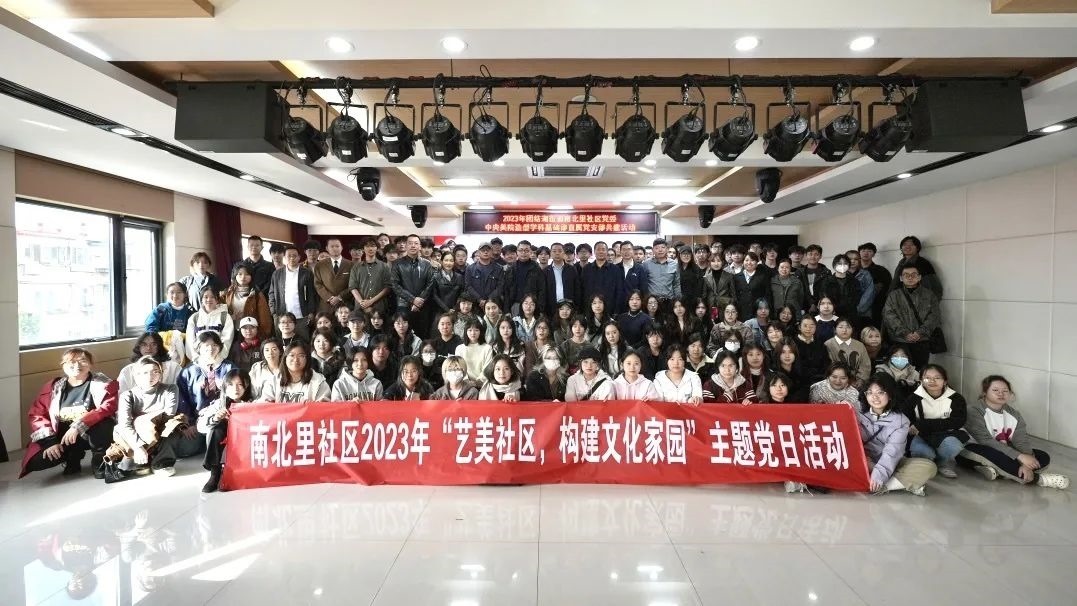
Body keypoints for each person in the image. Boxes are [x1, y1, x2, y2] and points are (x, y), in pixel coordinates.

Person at [21, 348, 118, 479]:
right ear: (63, 366)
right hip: (64, 436)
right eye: (71, 362)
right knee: (37, 461)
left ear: (90, 364)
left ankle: (100, 462)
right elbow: (37, 415)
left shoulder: (103, 384)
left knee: (104, 423)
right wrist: (50, 442)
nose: (77, 365)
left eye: (82, 361)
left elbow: (107, 408)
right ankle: (73, 455)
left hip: (92, 434)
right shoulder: (53, 387)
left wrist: (78, 426)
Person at [958, 375, 1069, 489]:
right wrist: (1020, 456)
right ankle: (1040, 479)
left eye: (1005, 391)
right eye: (995, 390)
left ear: (1010, 394)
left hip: (1002, 450)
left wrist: (1026, 463)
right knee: (996, 455)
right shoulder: (973, 410)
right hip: (971, 449)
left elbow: (1021, 442)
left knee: (1042, 456)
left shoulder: (1014, 414)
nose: (1001, 394)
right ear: (985, 392)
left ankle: (997, 470)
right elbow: (985, 441)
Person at [858, 374, 937, 496]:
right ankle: (900, 482)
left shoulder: (901, 421)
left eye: (880, 392)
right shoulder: (857, 413)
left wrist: (878, 474)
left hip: (889, 461)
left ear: (890, 395)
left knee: (929, 467)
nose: (874, 397)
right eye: (869, 392)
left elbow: (892, 452)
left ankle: (883, 486)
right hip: (861, 460)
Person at [108, 356, 186, 478]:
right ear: (137, 375)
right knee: (127, 467)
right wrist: (138, 447)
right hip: (136, 432)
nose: (150, 376)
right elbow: (124, 423)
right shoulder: (127, 395)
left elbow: (169, 414)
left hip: (160, 427)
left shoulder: (170, 389)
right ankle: (144, 457)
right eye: (145, 372)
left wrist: (146, 421)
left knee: (173, 426)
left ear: (161, 374)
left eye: (155, 371)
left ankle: (162, 463)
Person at [903, 364, 969, 479]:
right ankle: (928, 464)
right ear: (921, 380)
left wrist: (922, 424)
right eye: (927, 378)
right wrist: (917, 427)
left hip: (945, 435)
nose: (932, 381)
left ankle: (942, 463)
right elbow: (905, 419)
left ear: (945, 381)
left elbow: (957, 422)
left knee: (953, 445)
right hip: (920, 436)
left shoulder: (956, 398)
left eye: (937, 378)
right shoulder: (913, 398)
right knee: (924, 453)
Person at [197, 368, 252, 493]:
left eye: (240, 384)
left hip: (245, 439)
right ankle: (215, 472)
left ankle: (234, 472)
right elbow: (200, 427)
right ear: (225, 387)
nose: (235, 389)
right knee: (216, 429)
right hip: (223, 439)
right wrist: (216, 418)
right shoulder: (219, 404)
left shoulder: (252, 403)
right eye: (231, 385)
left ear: (246, 386)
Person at [177, 332, 236, 446]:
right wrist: (188, 424)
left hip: (224, 418)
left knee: (214, 434)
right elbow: (182, 400)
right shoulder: (188, 371)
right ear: (198, 347)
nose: (211, 348)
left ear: (220, 347)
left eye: (214, 345)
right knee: (185, 448)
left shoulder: (229, 368)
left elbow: (239, 393)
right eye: (206, 345)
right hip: (196, 420)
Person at [883, 265, 942, 370]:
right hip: (900, 341)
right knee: (900, 370)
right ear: (901, 278)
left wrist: (920, 333)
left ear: (919, 277)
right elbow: (889, 315)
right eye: (906, 275)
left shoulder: (929, 295)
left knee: (920, 370)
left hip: (922, 341)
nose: (910, 277)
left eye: (913, 275)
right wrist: (905, 333)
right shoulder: (893, 295)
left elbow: (934, 316)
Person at [268, 244, 317, 341]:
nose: (292, 258)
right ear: (284, 257)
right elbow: (271, 294)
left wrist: (311, 312)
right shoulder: (277, 274)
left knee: (303, 341)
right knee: (283, 343)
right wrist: (274, 312)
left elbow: (312, 294)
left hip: (302, 316)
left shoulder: (306, 273)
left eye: (294, 256)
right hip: (282, 316)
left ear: (299, 257)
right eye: (289, 256)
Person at [392, 234, 436, 339]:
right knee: (404, 335)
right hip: (403, 306)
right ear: (406, 246)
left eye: (416, 243)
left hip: (423, 306)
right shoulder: (397, 263)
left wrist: (419, 301)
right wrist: (413, 300)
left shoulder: (427, 264)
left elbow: (430, 284)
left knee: (423, 335)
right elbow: (395, 285)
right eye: (410, 243)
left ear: (420, 246)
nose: (413, 246)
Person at [258, 343, 331, 402]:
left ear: (307, 359)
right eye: (292, 355)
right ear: (285, 358)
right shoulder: (274, 380)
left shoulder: (318, 381)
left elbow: (324, 408)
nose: (296, 359)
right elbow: (264, 405)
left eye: (301, 356)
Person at [145, 282, 195, 363]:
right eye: (172, 292)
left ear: (185, 294)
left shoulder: (190, 313)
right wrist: (163, 338)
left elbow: (192, 333)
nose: (175, 295)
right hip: (161, 348)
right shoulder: (160, 310)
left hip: (183, 349)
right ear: (167, 294)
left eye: (179, 292)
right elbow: (151, 328)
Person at [221, 266, 273, 340]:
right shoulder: (227, 293)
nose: (243, 277)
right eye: (240, 274)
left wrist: (264, 336)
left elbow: (264, 318)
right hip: (231, 333)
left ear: (251, 276)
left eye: (247, 274)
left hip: (250, 334)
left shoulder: (257, 294)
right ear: (235, 276)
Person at [184, 288, 234, 364]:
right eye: (206, 297)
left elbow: (227, 340)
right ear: (201, 300)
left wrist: (219, 358)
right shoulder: (194, 317)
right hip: (198, 361)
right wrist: (196, 358)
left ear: (217, 300)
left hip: (219, 361)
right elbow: (190, 340)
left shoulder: (225, 317)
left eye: (212, 297)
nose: (209, 299)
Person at [349, 236, 393, 316]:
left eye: (373, 246)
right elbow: (352, 287)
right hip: (360, 307)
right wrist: (361, 302)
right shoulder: (356, 267)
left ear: (377, 248)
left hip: (379, 307)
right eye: (367, 246)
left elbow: (387, 287)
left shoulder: (384, 266)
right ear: (363, 249)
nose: (370, 249)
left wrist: (371, 302)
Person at [824, 318, 871, 389]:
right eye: (841, 327)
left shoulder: (859, 345)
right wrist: (846, 381)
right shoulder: (828, 344)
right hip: (836, 382)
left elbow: (865, 365)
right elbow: (829, 366)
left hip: (857, 384)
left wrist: (860, 380)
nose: (844, 330)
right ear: (834, 329)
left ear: (852, 329)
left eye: (848, 327)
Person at [504, 240, 547, 317]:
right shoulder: (511, 269)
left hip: (532, 306)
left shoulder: (536, 268)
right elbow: (506, 291)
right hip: (515, 305)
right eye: (521, 250)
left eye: (526, 250)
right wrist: (507, 310)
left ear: (530, 252)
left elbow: (542, 290)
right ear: (517, 252)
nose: (523, 253)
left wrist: (540, 309)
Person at [312, 237, 354, 315]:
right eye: (332, 246)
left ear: (342, 247)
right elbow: (317, 284)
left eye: (337, 246)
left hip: (345, 304)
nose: (335, 248)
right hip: (326, 305)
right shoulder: (320, 265)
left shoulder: (351, 264)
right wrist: (329, 297)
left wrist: (340, 297)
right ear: (327, 248)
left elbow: (353, 284)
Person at [816, 254, 862, 323]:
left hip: (850, 315)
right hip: (832, 314)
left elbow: (856, 298)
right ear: (834, 266)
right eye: (839, 263)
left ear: (849, 266)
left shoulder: (854, 281)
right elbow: (824, 297)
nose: (842, 266)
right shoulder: (826, 281)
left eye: (845, 263)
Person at [858, 242, 892, 328]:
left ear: (873, 254)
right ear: (859, 253)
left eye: (869, 251)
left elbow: (887, 291)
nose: (866, 253)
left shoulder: (882, 271)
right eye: (863, 251)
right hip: (855, 309)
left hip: (875, 309)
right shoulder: (853, 270)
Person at [643, 238, 681, 310]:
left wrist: (678, 300)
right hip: (652, 302)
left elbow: (676, 284)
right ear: (653, 250)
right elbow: (644, 284)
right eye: (657, 248)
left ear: (667, 249)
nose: (660, 250)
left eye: (663, 247)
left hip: (669, 301)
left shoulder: (674, 264)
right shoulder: (646, 264)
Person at [466, 241, 505, 310]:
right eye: (483, 250)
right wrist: (479, 299)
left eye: (488, 250)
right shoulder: (470, 269)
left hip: (493, 305)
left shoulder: (499, 268)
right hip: (475, 304)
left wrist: (489, 300)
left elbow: (500, 287)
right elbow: (468, 286)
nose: (485, 252)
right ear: (478, 252)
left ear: (492, 251)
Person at [732, 252, 771, 321]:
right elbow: (735, 295)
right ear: (743, 262)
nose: (749, 263)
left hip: (758, 312)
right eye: (746, 260)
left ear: (757, 262)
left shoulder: (763, 277)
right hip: (741, 313)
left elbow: (767, 295)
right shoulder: (736, 277)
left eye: (752, 260)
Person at [455, 318, 494, 385]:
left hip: (483, 383)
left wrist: (478, 382)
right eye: (470, 330)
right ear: (466, 332)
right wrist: (466, 381)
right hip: (464, 383)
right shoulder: (460, 348)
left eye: (476, 330)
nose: (473, 333)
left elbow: (488, 368)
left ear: (480, 332)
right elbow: (458, 367)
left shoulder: (487, 348)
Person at [617, 240, 649, 314]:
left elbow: (644, 289)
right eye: (624, 249)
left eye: (629, 249)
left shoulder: (640, 268)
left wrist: (643, 307)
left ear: (632, 251)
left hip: (635, 305)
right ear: (620, 252)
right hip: (619, 306)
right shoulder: (615, 268)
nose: (626, 252)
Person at [794, 316, 828, 385]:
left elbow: (826, 363)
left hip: (819, 380)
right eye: (805, 326)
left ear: (816, 328)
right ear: (799, 327)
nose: (808, 329)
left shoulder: (820, 344)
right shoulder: (793, 343)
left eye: (812, 326)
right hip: (798, 381)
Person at [431, 250, 464, 319]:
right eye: (446, 260)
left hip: (455, 311)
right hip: (439, 311)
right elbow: (434, 295)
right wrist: (447, 309)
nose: (448, 263)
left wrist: (455, 308)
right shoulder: (435, 277)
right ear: (441, 261)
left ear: (454, 262)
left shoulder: (459, 277)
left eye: (451, 261)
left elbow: (461, 295)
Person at [775, 337, 809, 402]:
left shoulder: (804, 371)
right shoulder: (772, 373)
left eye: (790, 352)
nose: (787, 356)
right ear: (778, 354)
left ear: (795, 354)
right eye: (783, 352)